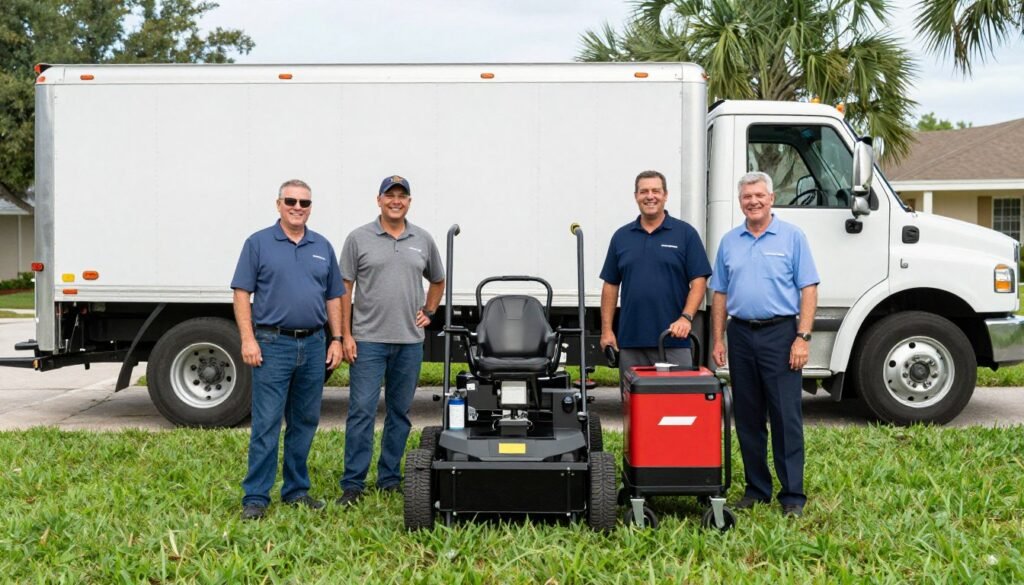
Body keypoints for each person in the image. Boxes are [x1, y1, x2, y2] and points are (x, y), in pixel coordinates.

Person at [231, 179, 345, 521]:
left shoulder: (321, 246)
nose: (298, 207)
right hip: (272, 344)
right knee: (266, 423)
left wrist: (337, 338)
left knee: (305, 421)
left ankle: (296, 490)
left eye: (305, 203)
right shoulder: (258, 243)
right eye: (291, 201)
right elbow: (241, 293)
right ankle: (256, 497)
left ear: (311, 207)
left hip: (313, 344)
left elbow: (334, 296)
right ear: (278, 203)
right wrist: (247, 339)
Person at [709, 171, 819, 517]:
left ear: (771, 199)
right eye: (746, 197)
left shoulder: (792, 238)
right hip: (740, 334)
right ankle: (757, 488)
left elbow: (809, 289)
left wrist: (802, 337)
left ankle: (792, 496)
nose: (753, 201)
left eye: (759, 195)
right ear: (740, 202)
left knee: (786, 418)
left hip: (781, 334)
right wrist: (718, 338)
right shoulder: (730, 241)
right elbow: (720, 293)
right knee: (747, 417)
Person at [336, 174, 445, 506]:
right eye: (390, 195)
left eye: (402, 195)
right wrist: (345, 334)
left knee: (399, 413)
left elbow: (438, 279)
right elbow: (344, 288)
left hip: (410, 342)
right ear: (379, 200)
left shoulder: (422, 239)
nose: (396, 200)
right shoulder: (359, 238)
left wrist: (429, 310)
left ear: (409, 201)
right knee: (361, 412)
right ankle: (353, 483)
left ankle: (389, 478)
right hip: (368, 341)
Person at [599, 170, 712, 380]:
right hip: (631, 341)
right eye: (644, 191)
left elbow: (699, 282)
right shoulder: (621, 237)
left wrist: (686, 318)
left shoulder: (685, 234)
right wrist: (607, 330)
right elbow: (610, 286)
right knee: (636, 408)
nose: (650, 196)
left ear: (665, 195)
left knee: (676, 408)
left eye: (656, 191)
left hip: (674, 340)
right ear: (636, 196)